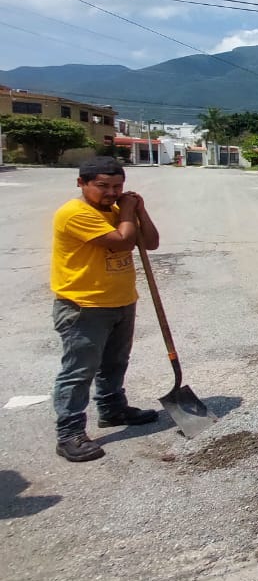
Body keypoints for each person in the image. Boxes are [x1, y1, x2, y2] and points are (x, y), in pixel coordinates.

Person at [50, 156, 161, 463]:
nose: (111, 192)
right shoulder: (74, 214)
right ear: (81, 184)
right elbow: (123, 242)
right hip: (84, 305)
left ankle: (112, 409)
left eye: (117, 186)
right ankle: (69, 433)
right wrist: (127, 211)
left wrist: (139, 210)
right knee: (78, 371)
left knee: (114, 362)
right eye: (102, 186)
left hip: (121, 299)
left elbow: (149, 242)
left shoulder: (116, 211)